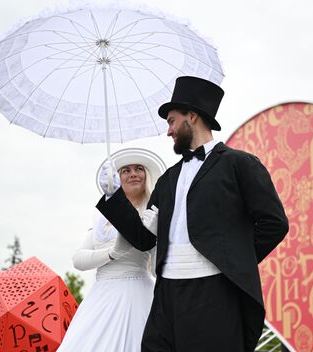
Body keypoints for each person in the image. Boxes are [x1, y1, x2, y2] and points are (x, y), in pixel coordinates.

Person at [97, 76, 289, 352]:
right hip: (166, 294)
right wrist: (113, 197)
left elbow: (274, 223)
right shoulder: (168, 179)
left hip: (212, 290)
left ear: (192, 117)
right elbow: (143, 239)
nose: (169, 131)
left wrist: (231, 260)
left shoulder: (240, 164)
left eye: (172, 121)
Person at [58, 148, 166, 352]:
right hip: (101, 297)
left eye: (138, 169)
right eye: (125, 170)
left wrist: (156, 240)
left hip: (138, 295)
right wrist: (112, 253)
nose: (133, 173)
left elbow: (156, 271)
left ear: (147, 175)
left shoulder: (154, 214)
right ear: (117, 178)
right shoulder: (101, 217)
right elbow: (78, 259)